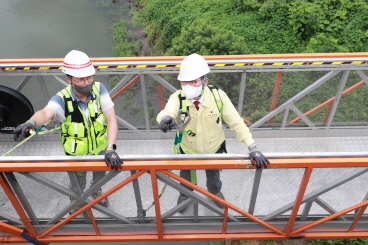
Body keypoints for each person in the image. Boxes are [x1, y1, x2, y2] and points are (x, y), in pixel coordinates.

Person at [13, 50, 123, 212]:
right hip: (76, 154)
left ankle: (96, 190)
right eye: (80, 79)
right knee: (77, 181)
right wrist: (31, 122)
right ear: (69, 79)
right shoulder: (62, 99)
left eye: (89, 77)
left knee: (101, 174)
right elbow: (46, 112)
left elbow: (111, 120)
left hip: (101, 149)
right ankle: (76, 200)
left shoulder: (99, 90)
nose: (86, 83)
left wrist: (110, 149)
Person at [157, 53, 269, 211]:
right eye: (184, 81)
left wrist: (252, 147)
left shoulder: (218, 97)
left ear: (205, 81)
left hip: (213, 150)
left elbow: (236, 122)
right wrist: (164, 119)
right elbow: (168, 110)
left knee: (214, 176)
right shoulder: (178, 97)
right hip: (187, 149)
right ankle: (185, 194)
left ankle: (214, 192)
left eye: (193, 81)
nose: (188, 85)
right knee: (186, 177)